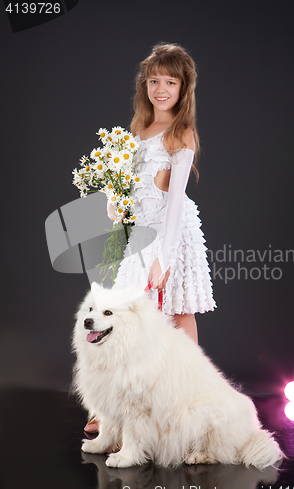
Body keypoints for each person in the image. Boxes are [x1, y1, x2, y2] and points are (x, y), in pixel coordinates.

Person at [84, 43, 216, 434]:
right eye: (154, 80)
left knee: (178, 312)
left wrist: (166, 256)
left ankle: (187, 397)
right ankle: (111, 409)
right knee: (122, 316)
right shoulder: (137, 130)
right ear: (145, 85)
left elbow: (174, 201)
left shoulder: (181, 132)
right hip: (140, 234)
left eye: (170, 81)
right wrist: (113, 199)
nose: (161, 88)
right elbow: (126, 193)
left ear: (183, 87)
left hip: (173, 232)